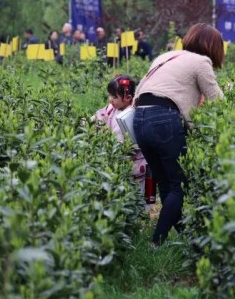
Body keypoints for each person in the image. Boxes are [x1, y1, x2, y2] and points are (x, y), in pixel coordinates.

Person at [133, 23, 225, 246]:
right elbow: (217, 102)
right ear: (212, 47)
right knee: (178, 186)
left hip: (139, 119)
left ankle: (185, 238)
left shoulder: (166, 56)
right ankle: (157, 244)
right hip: (164, 118)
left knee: (166, 184)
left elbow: (141, 90)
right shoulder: (201, 61)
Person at [93, 74, 148, 191]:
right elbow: (97, 118)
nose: (110, 99)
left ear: (128, 98)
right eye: (109, 95)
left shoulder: (135, 113)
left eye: (114, 97)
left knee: (136, 193)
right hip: (114, 161)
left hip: (135, 164)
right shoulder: (110, 109)